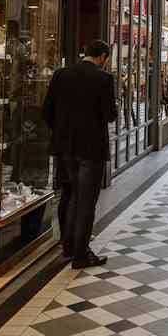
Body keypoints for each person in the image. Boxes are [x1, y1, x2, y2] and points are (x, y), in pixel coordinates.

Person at [43, 40, 115, 269]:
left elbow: (47, 111)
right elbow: (110, 114)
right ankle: (81, 254)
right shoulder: (103, 79)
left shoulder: (61, 75)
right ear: (103, 57)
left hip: (65, 148)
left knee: (69, 194)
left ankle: (67, 245)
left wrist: (63, 131)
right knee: (85, 201)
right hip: (91, 149)